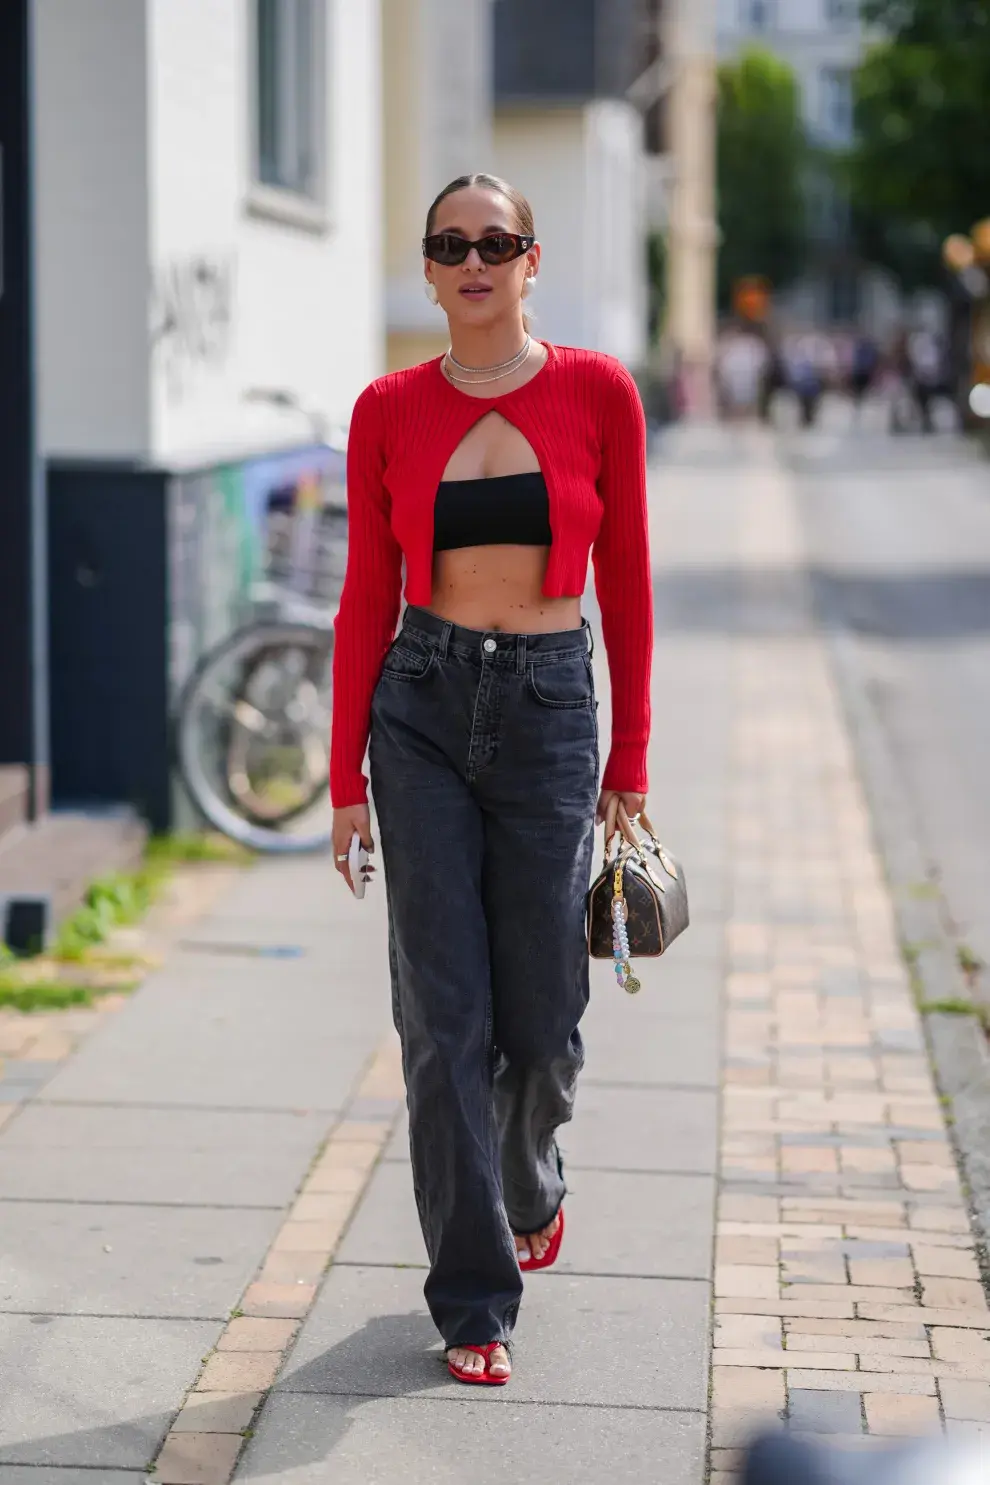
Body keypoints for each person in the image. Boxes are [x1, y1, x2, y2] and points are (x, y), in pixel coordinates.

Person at [329, 173, 652, 1386]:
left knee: (544, 1019)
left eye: (497, 242)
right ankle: (473, 1300)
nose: (474, 260)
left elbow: (627, 581)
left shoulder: (596, 391)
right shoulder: (387, 410)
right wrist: (341, 779)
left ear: (531, 260)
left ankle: (530, 1176)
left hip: (552, 708)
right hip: (416, 707)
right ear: (426, 268)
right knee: (441, 1020)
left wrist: (632, 757)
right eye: (450, 244)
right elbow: (368, 593)